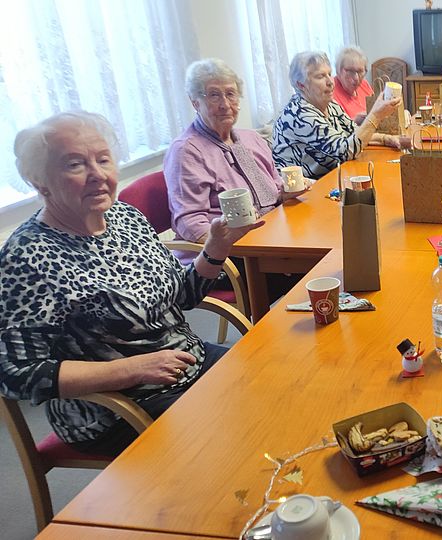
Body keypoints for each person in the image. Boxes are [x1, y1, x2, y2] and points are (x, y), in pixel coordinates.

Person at [0, 111, 260, 457]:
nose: (97, 175)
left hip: (187, 361)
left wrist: (215, 247)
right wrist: (130, 370)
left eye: (103, 160)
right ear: (40, 182)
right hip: (116, 407)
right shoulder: (27, 256)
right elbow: (14, 372)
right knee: (243, 434)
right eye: (75, 165)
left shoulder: (125, 217)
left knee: (274, 383)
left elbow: (183, 296)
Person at [164, 58, 299, 262]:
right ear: (195, 102)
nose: (225, 105)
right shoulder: (187, 151)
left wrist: (289, 191)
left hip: (269, 238)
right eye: (214, 95)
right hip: (228, 257)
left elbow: (275, 188)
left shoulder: (250, 138)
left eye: (230, 94)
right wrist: (240, 246)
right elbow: (190, 223)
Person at [274, 51, 402, 180]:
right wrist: (376, 115)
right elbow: (345, 152)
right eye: (320, 76)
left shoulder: (329, 105)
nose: (330, 82)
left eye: (329, 74)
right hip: (306, 190)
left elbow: (355, 134)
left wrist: (384, 139)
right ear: (301, 85)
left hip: (332, 178)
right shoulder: (300, 113)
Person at [332, 46, 374, 124]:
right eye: (350, 71)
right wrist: (354, 121)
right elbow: (333, 129)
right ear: (338, 70)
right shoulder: (330, 91)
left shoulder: (364, 84)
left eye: (360, 71)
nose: (356, 78)